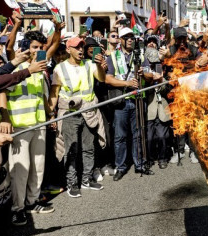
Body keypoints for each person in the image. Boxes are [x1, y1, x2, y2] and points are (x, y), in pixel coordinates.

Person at [0, 30, 56, 226]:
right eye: (34, 48)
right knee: (20, 170)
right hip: (20, 126)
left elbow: (42, 98)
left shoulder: (40, 70)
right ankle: (18, 208)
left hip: (39, 124)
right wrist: (5, 118)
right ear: (26, 48)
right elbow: (0, 92)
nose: (38, 51)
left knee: (38, 166)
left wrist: (50, 116)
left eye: (41, 48)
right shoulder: (17, 69)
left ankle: (32, 201)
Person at [49, 37, 107, 197]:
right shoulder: (59, 68)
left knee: (89, 148)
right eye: (76, 47)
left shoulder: (90, 64)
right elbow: (54, 93)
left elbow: (101, 79)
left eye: (82, 47)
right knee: (71, 151)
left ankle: (87, 179)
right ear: (68, 50)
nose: (81, 50)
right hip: (70, 113)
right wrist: (50, 113)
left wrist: (99, 65)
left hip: (89, 111)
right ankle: (71, 183)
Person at [105, 27, 154, 180]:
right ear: (121, 40)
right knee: (120, 136)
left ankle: (140, 164)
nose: (131, 39)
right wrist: (126, 83)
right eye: (127, 37)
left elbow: (150, 76)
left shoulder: (140, 56)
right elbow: (108, 79)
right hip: (122, 101)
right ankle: (121, 167)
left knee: (139, 134)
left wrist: (143, 74)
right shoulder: (113, 57)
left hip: (139, 100)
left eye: (132, 37)